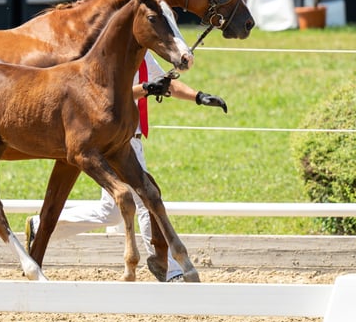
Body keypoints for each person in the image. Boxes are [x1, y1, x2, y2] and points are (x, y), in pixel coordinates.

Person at [25, 51, 227, 282]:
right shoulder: (108, 55)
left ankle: (39, 226)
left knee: (110, 214)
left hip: (132, 139)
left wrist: (199, 97)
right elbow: (106, 96)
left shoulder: (143, 54)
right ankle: (171, 270)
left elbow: (165, 83)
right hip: (116, 140)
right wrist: (145, 88)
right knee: (146, 201)